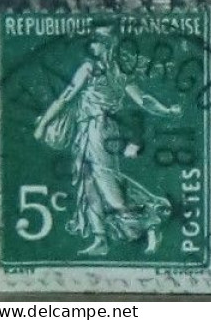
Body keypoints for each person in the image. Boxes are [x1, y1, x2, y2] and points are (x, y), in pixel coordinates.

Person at [33, 28, 181, 256]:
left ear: (107, 44)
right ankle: (100, 239)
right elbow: (144, 100)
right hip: (93, 129)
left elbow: (65, 98)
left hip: (97, 129)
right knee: (89, 183)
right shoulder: (119, 71)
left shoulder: (90, 69)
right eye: (92, 42)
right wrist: (168, 111)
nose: (91, 46)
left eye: (96, 42)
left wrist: (43, 125)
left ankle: (151, 220)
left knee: (107, 183)